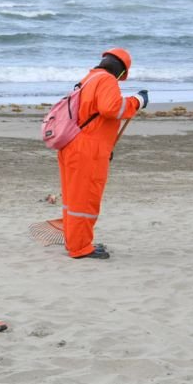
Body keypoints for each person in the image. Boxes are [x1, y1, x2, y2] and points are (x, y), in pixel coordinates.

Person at [57, 48, 147, 260]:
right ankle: (80, 247)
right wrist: (137, 101)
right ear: (120, 71)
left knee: (73, 199)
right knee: (85, 200)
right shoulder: (106, 80)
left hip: (72, 145)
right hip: (88, 149)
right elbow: (110, 109)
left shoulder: (88, 79)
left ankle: (75, 242)